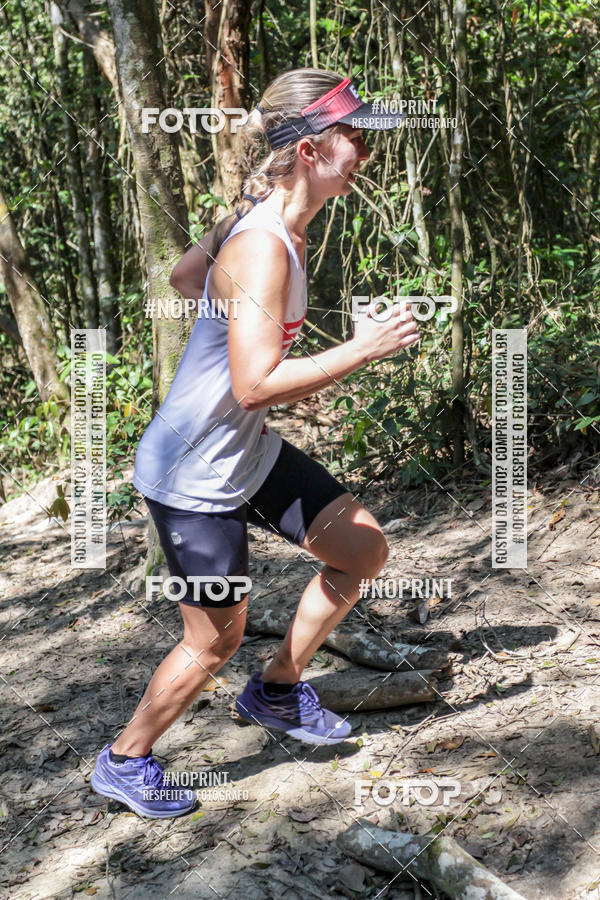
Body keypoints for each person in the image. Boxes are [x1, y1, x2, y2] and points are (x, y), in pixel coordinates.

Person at [91, 67, 419, 818]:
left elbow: (182, 277)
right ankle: (123, 759)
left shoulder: (272, 225)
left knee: (362, 551)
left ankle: (277, 690)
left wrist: (229, 241)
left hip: (244, 451)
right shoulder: (266, 245)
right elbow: (252, 386)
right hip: (190, 472)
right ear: (308, 149)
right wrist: (363, 349)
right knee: (213, 641)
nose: (363, 150)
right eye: (352, 135)